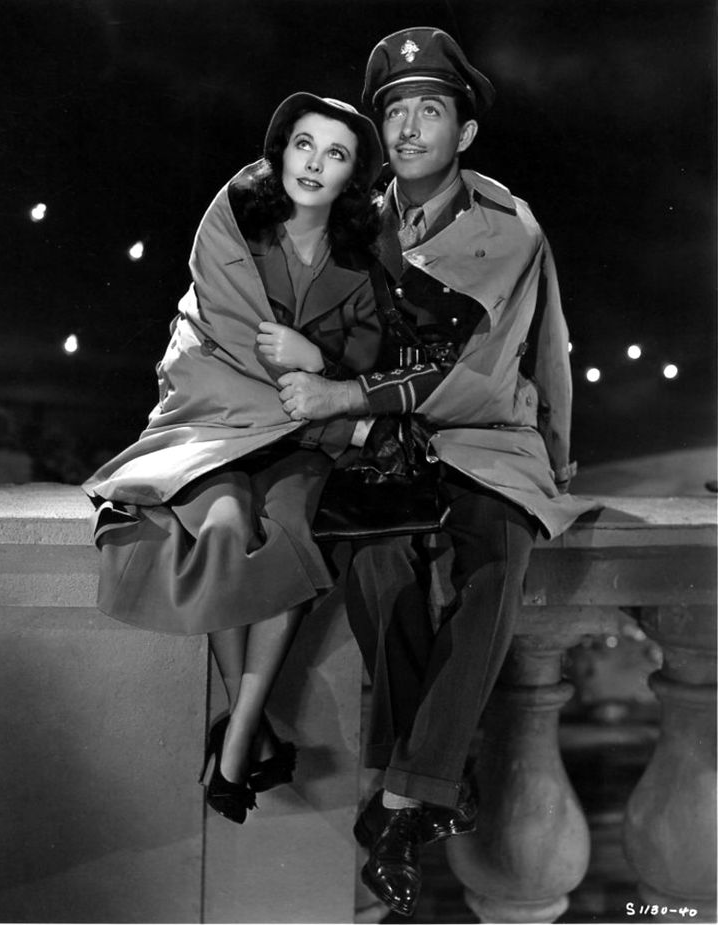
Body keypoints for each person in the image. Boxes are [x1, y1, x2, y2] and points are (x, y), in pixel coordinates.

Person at [276, 28, 598, 915]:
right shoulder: (355, 224)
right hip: (391, 450)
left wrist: (556, 457)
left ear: (464, 133)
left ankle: (404, 792)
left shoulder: (504, 222)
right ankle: (414, 792)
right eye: (395, 112)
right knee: (379, 570)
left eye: (431, 109)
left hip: (485, 435)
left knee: (492, 561)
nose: (411, 127)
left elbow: (508, 360)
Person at [82, 93, 384, 826]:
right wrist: (300, 395)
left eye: (336, 154)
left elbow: (364, 364)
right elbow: (207, 335)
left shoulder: (358, 259)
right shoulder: (235, 230)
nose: (314, 163)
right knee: (223, 529)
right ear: (280, 150)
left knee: (281, 542)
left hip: (298, 444)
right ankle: (252, 736)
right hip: (219, 427)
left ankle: (235, 741)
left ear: (352, 177)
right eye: (304, 145)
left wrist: (318, 359)